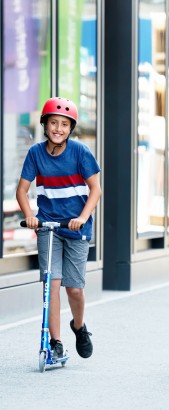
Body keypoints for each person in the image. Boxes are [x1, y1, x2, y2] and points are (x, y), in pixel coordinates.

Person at [16, 97, 102, 359]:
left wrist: (83, 217)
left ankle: (79, 326)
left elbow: (95, 189)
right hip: (48, 227)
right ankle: (55, 342)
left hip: (76, 228)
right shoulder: (35, 153)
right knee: (50, 286)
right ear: (45, 124)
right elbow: (22, 190)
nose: (58, 128)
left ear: (70, 128)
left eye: (64, 124)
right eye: (53, 123)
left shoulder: (80, 153)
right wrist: (30, 215)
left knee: (73, 288)